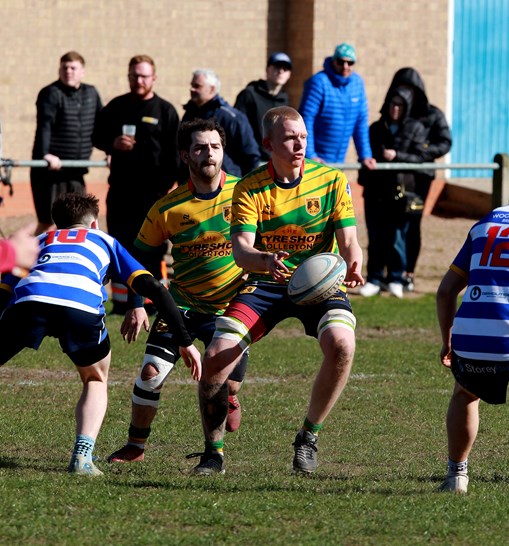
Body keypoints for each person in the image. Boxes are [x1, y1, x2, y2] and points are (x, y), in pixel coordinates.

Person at [188, 106, 364, 476]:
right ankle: (213, 454)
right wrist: (265, 260)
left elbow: (349, 240)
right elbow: (241, 251)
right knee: (216, 355)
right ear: (269, 144)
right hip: (265, 283)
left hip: (319, 285)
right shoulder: (249, 187)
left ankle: (308, 436)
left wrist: (353, 261)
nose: (299, 144)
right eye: (289, 138)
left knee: (342, 345)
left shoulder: (331, 180)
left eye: (303, 137)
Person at [0, 193, 200, 477]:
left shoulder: (40, 240)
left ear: (58, 224)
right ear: (94, 223)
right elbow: (154, 287)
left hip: (28, 304)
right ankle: (82, 457)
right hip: (80, 307)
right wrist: (185, 342)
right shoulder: (104, 240)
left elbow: (5, 290)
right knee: (95, 378)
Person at [107, 119, 250, 463]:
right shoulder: (167, 207)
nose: (209, 154)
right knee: (150, 373)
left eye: (215, 147)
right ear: (186, 156)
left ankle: (230, 397)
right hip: (181, 307)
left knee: (225, 384)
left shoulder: (245, 196)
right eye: (200, 148)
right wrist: (136, 303)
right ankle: (136, 446)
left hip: (232, 309)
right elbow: (140, 259)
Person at [93, 54, 180, 313]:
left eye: (143, 76)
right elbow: (96, 135)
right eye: (134, 76)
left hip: (153, 196)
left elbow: (175, 156)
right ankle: (121, 303)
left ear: (154, 78)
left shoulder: (165, 111)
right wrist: (112, 143)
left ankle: (154, 302)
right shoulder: (117, 106)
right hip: (121, 192)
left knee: (153, 248)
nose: (139, 80)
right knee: (120, 246)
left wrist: (165, 189)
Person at [436, 205, 509, 494]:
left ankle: (457, 475)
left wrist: (447, 340)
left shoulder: (486, 223)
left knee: (465, 395)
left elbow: (446, 290)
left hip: (473, 334)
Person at [384, 68, 452, 292]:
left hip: (420, 177)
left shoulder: (432, 114)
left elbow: (445, 142)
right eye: (401, 88)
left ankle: (409, 272)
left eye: (410, 89)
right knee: (391, 223)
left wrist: (421, 153)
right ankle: (391, 272)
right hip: (394, 176)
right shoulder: (395, 111)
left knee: (412, 223)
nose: (406, 93)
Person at [358, 87, 428, 299]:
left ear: (406, 107)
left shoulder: (416, 128)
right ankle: (374, 278)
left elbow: (421, 157)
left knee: (397, 238)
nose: (395, 108)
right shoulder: (376, 128)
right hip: (375, 191)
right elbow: (365, 153)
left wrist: (397, 155)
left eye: (399, 105)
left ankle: (396, 278)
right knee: (375, 237)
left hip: (401, 192)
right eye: (392, 104)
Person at [30, 51, 103, 235]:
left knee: (81, 220)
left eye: (73, 68)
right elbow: (44, 125)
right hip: (51, 171)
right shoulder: (50, 93)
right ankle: (31, 251)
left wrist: (110, 151)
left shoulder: (91, 93)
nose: (68, 71)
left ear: (82, 71)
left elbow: (102, 125)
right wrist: (45, 154)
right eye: (64, 67)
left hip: (76, 171)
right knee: (48, 223)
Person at [298, 43, 376, 169]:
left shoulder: (357, 84)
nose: (345, 66)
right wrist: (310, 155)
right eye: (341, 62)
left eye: (350, 63)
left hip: (339, 162)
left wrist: (365, 155)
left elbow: (360, 122)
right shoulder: (319, 82)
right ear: (334, 61)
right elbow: (306, 119)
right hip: (316, 161)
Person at [182, 69, 260, 176]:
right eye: (192, 85)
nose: (192, 89)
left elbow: (251, 156)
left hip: (227, 182)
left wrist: (243, 183)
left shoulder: (231, 118)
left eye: (197, 86)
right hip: (192, 181)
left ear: (211, 89)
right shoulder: (189, 114)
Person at [234, 52, 292, 162]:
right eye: (276, 67)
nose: (281, 71)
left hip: (276, 159)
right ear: (267, 70)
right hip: (254, 159)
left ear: (289, 75)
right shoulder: (249, 94)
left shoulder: (284, 99)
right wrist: (252, 154)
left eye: (285, 69)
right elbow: (238, 127)